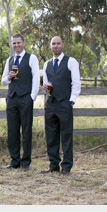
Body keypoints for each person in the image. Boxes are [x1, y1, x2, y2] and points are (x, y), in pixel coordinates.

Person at [42, 35, 81, 175]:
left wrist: (71, 100)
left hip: (64, 103)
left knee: (66, 136)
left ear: (62, 45)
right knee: (51, 135)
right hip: (51, 103)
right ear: (50, 46)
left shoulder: (71, 62)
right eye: (53, 44)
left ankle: (66, 166)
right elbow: (48, 84)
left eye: (58, 43)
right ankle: (53, 165)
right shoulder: (47, 64)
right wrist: (47, 89)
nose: (56, 46)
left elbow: (76, 83)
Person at [1, 33, 40, 171]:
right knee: (12, 131)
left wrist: (32, 97)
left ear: (23, 43)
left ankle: (26, 162)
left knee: (26, 131)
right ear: (11, 44)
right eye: (14, 43)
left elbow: (36, 78)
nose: (16, 45)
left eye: (18, 43)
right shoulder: (9, 60)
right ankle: (14, 160)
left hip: (25, 98)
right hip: (11, 98)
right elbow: (3, 81)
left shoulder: (31, 58)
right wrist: (9, 77)